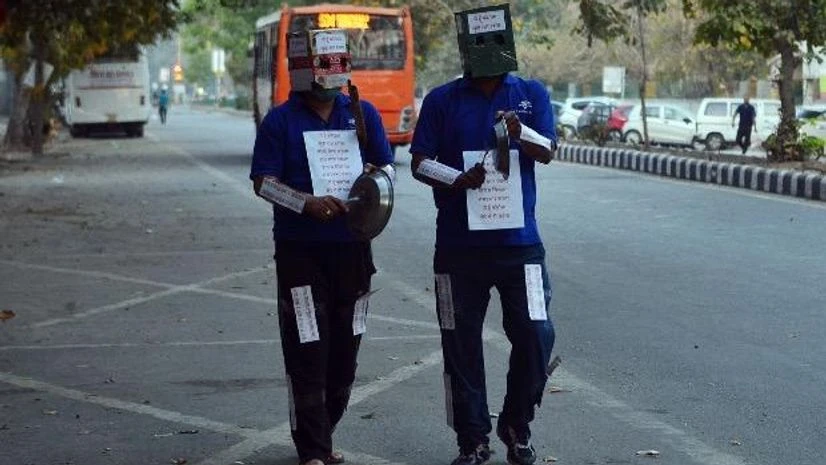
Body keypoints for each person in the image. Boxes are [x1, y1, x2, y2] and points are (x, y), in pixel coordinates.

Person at [409, 5, 557, 465]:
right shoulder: (442, 100)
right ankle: (472, 439)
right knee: (460, 344)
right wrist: (456, 178)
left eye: (496, 42)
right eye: (479, 44)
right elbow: (419, 162)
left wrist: (521, 131)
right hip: (458, 250)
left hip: (522, 247)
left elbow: (548, 150)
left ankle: (516, 422)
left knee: (537, 334)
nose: (488, 51)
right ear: (465, 49)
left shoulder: (531, 94)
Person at [249, 28, 394, 465]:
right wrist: (305, 204)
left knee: (345, 356)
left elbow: (387, 169)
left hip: (354, 253)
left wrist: (375, 174)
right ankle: (312, 451)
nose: (329, 74)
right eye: (321, 65)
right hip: (301, 256)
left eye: (336, 64)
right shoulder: (280, 120)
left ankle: (323, 435)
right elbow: (263, 183)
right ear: (302, 69)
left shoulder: (362, 113)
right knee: (308, 349)